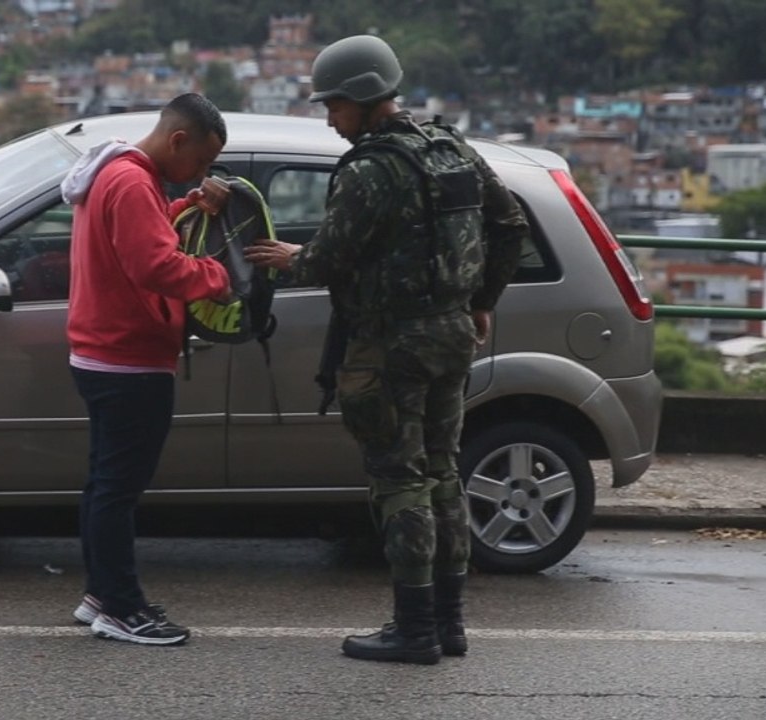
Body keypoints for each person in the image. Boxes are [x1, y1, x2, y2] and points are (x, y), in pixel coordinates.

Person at [245, 35, 530, 665]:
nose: (329, 119)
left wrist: (292, 258)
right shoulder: (450, 147)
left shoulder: (370, 171)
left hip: (391, 345)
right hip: (452, 332)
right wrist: (481, 301)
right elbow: (510, 227)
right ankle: (449, 624)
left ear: (366, 97)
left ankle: (414, 628)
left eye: (336, 106)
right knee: (443, 471)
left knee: (399, 481)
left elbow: (330, 258)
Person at [62, 93, 232, 646]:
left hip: (100, 352)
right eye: (201, 163)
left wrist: (186, 208)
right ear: (178, 140)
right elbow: (154, 263)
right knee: (118, 489)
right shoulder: (134, 182)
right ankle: (122, 607)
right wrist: (219, 275)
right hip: (128, 357)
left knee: (104, 484)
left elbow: (142, 233)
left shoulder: (115, 172)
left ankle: (100, 594)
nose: (201, 174)